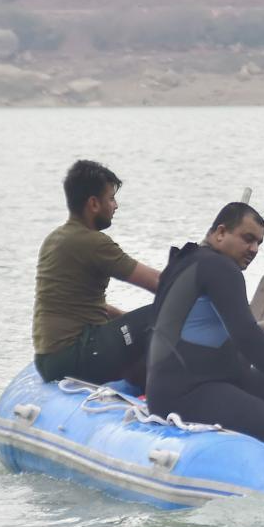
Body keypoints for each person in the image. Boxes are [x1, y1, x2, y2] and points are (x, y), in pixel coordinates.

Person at [145, 202, 264, 449]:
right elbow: (246, 334)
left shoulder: (186, 259)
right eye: (248, 239)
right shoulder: (221, 268)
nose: (254, 249)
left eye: (259, 243)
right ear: (221, 232)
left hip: (170, 386)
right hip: (186, 392)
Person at [32, 160, 160, 388]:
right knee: (159, 315)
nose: (115, 206)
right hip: (75, 355)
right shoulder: (92, 242)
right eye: (111, 198)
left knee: (138, 327)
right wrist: (204, 283)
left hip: (48, 360)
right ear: (93, 204)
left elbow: (81, 305)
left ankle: (144, 383)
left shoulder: (55, 238)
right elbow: (159, 283)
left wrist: (127, 319)